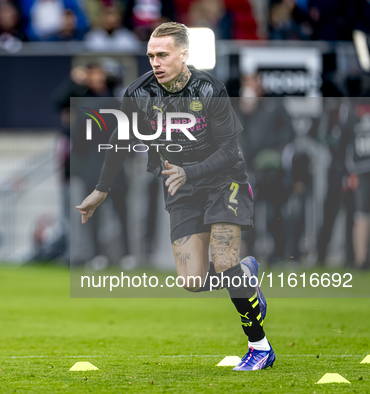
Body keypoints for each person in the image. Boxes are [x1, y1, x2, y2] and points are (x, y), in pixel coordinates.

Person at [76, 22, 275, 370]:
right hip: (181, 188)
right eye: (151, 55)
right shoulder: (138, 93)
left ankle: (259, 346)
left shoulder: (210, 89)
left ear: (184, 54)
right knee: (192, 281)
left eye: (163, 55)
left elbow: (230, 152)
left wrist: (190, 171)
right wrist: (101, 190)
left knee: (224, 261)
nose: (155, 61)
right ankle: (246, 274)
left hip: (224, 182)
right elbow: (120, 142)